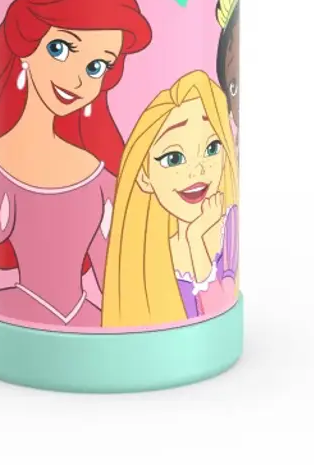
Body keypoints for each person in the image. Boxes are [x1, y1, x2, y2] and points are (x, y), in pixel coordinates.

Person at [0, 0, 152, 327]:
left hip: (91, 318)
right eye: (60, 49)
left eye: (96, 67)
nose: (77, 80)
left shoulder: (100, 179)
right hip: (16, 316)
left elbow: (110, 281)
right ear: (27, 46)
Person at [102, 70, 239, 328]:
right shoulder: (147, 253)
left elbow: (218, 302)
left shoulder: (227, 227)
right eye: (173, 158)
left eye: (212, 148)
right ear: (144, 176)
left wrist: (196, 240)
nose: (197, 171)